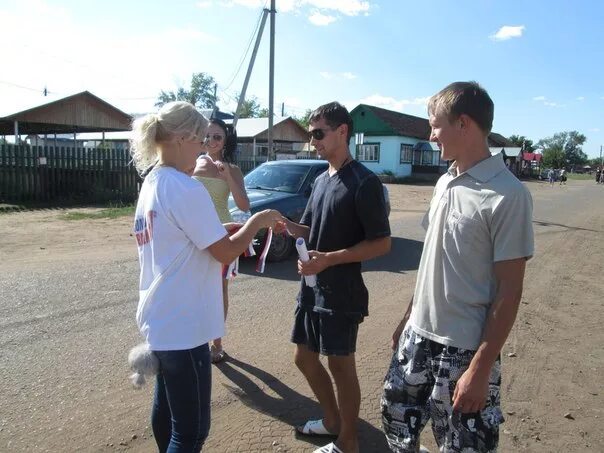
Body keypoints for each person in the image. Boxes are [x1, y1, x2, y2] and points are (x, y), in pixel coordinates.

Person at [381, 82, 534, 452]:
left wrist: (480, 370)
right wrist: (408, 317)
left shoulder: (508, 194)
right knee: (397, 428)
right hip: (417, 338)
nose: (430, 135)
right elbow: (433, 259)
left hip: (463, 350)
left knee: (464, 445)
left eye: (435, 125)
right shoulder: (444, 181)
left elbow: (509, 291)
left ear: (463, 123)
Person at [130, 101, 282, 452]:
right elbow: (226, 253)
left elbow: (183, 239)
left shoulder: (153, 181)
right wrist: (257, 222)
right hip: (185, 324)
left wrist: (223, 230)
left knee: (167, 412)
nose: (204, 150)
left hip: (162, 317)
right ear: (183, 138)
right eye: (201, 141)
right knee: (192, 430)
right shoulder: (185, 187)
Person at [277, 102, 391, 453]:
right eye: (311, 134)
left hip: (342, 292)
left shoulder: (364, 182)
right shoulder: (322, 179)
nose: (313, 142)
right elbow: (310, 228)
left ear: (343, 131)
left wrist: (330, 260)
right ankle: (331, 421)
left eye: (318, 134)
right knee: (304, 358)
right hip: (312, 286)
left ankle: (348, 442)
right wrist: (280, 224)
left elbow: (382, 243)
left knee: (341, 367)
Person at [192, 118, 250, 364]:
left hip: (221, 233)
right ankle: (195, 341)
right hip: (194, 236)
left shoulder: (233, 169)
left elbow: (244, 206)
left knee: (218, 290)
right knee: (194, 289)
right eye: (207, 135)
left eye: (217, 137)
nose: (211, 141)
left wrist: (227, 177)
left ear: (225, 141)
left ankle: (217, 343)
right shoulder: (190, 164)